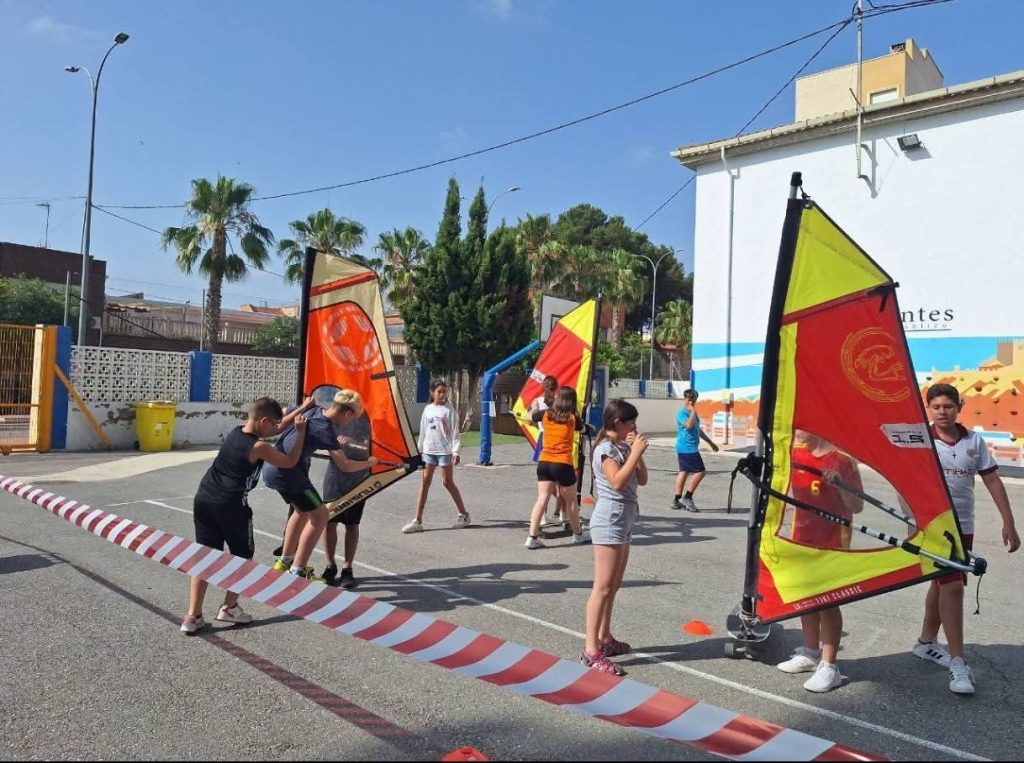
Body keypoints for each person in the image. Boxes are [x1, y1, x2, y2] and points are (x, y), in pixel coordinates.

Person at [912, 383, 1019, 695]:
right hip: (934, 527)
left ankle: (925, 642)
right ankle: (958, 662)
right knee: (953, 586)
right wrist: (912, 522)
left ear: (959, 407)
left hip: (964, 527)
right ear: (928, 409)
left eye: (948, 406)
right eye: (936, 407)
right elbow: (906, 483)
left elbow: (992, 480)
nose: (942, 412)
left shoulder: (974, 441)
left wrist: (1009, 523)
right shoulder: (922, 440)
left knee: (941, 583)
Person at [181, 396, 311, 634]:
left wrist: (303, 408)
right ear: (263, 421)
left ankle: (192, 616)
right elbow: (290, 461)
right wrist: (300, 432)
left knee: (205, 557)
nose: (276, 428)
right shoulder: (258, 447)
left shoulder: (236, 432)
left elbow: (278, 426)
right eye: (273, 424)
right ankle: (230, 608)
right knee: (243, 558)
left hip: (204, 499)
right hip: (231, 505)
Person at [776, 429, 863, 692]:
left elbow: (857, 506)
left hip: (833, 541)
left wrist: (841, 485)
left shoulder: (843, 459)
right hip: (802, 536)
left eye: (801, 425)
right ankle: (810, 652)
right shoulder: (794, 452)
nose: (795, 430)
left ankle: (829, 666)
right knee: (806, 597)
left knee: (827, 602)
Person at [266, 389, 378, 581]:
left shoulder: (312, 409)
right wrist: (369, 463)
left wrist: (301, 408)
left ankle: (284, 562)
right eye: (352, 418)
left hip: (272, 467)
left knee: (301, 511)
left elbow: (283, 411)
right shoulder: (325, 429)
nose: (350, 423)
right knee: (321, 516)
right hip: (289, 475)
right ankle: (298, 571)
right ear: (347, 413)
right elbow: (345, 465)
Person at [580, 399, 648, 675]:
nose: (634, 427)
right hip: (610, 519)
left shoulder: (622, 446)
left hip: (625, 519)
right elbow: (617, 482)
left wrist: (637, 454)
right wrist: (635, 452)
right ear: (617, 423)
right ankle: (590, 650)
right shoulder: (606, 449)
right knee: (603, 587)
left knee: (614, 585)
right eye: (631, 422)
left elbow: (642, 479)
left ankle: (605, 637)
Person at [525, 386, 590, 549]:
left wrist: (534, 407)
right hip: (563, 463)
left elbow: (528, 416)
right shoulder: (573, 417)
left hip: (545, 462)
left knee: (542, 499)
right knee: (571, 501)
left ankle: (532, 537)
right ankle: (578, 535)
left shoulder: (546, 414)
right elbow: (583, 429)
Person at [403, 379, 471, 533]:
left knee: (447, 482)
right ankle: (417, 521)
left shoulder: (449, 410)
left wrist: (455, 451)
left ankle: (464, 515)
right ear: (432, 393)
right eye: (439, 392)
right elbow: (423, 431)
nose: (442, 394)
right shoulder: (427, 409)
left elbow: (455, 433)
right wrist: (419, 450)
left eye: (444, 392)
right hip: (429, 452)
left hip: (445, 452)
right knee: (424, 483)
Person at [320, 411, 372, 589]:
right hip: (334, 474)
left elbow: (371, 450)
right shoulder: (334, 416)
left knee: (352, 524)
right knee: (329, 521)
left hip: (358, 477)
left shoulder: (366, 418)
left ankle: (347, 569)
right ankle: (330, 566)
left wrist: (352, 443)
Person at [672, 389, 719, 512]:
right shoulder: (682, 413)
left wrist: (710, 442)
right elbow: (688, 425)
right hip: (687, 447)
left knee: (684, 472)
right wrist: (693, 410)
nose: (691, 401)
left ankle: (677, 500)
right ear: (685, 399)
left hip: (687, 447)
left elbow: (698, 430)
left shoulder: (693, 413)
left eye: (694, 398)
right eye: (689, 398)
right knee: (700, 472)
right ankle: (687, 498)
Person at [528, 375, 566, 527]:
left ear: (543, 387)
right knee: (560, 482)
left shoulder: (537, 401)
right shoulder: (560, 401)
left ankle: (543, 517)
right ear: (556, 387)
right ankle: (563, 513)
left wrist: (533, 410)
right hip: (558, 438)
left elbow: (529, 418)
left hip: (544, 438)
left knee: (544, 482)